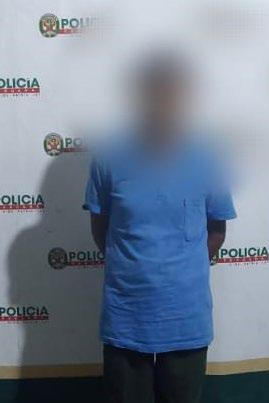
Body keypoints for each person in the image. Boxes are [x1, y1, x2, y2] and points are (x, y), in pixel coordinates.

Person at [83, 51, 236, 403]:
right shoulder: (109, 156)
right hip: (126, 316)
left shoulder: (207, 157)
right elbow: (100, 227)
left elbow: (217, 230)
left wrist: (179, 271)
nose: (163, 102)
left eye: (172, 94)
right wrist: (135, 268)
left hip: (185, 318)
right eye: (155, 92)